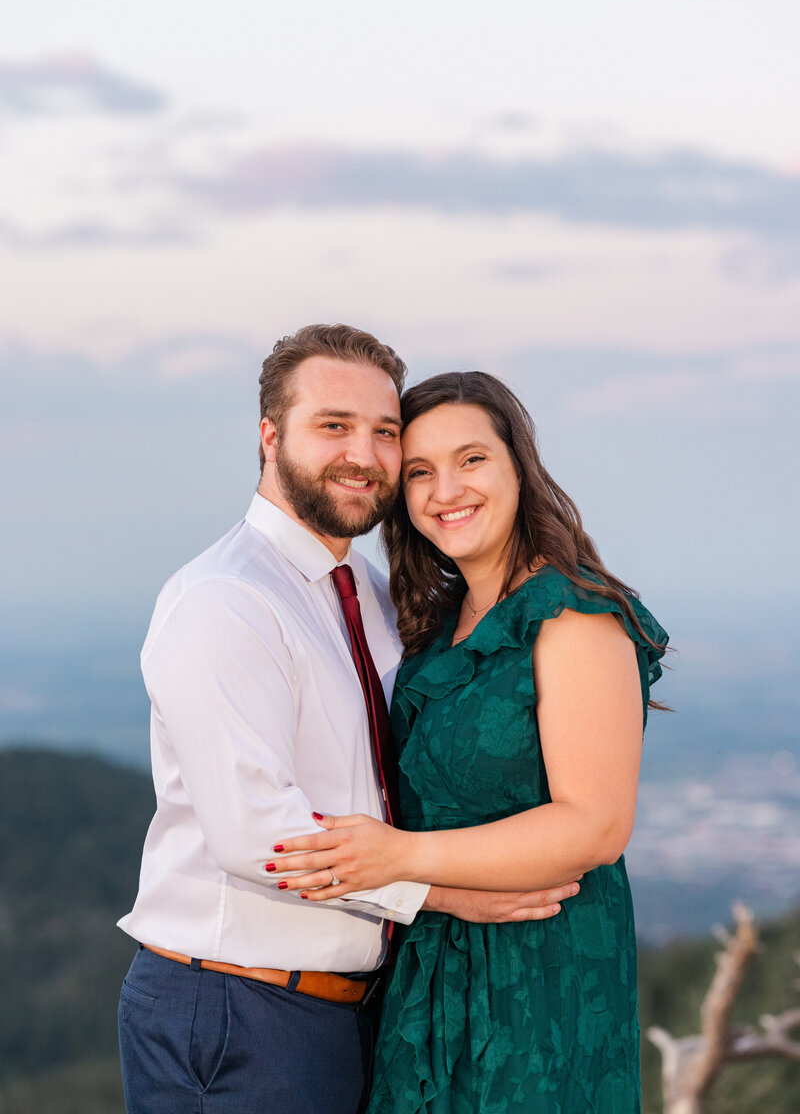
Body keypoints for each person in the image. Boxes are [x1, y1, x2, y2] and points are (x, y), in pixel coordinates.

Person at [117, 328, 579, 1114]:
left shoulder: (361, 586)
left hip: (345, 1008)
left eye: (385, 432)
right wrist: (441, 889)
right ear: (270, 436)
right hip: (237, 1007)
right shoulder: (225, 600)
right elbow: (259, 835)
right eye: (333, 425)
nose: (363, 454)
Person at [267, 370, 669, 1113]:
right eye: (419, 472)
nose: (446, 489)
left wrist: (402, 858)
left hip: (542, 974)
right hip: (429, 966)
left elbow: (598, 824)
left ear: (520, 464)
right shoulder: (433, 622)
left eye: (472, 459)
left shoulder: (572, 616)